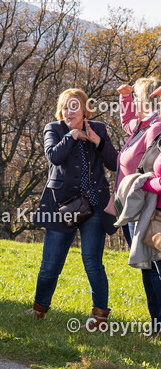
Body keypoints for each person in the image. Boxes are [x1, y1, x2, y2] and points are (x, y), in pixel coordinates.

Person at [29, 89, 119, 329]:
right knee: (50, 265)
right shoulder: (54, 128)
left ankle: (99, 316)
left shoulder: (98, 128)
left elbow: (114, 163)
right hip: (62, 207)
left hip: (94, 206)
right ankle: (38, 309)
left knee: (93, 262)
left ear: (84, 110)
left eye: (74, 106)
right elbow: (53, 157)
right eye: (65, 107)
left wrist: (95, 141)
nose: (69, 111)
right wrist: (72, 136)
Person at [115, 78, 161, 337]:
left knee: (154, 266)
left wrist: (143, 182)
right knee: (147, 266)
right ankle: (155, 322)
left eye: (138, 97)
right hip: (135, 208)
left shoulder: (156, 127)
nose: (136, 102)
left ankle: (159, 323)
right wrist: (124, 98)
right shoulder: (142, 126)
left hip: (149, 209)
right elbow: (127, 121)